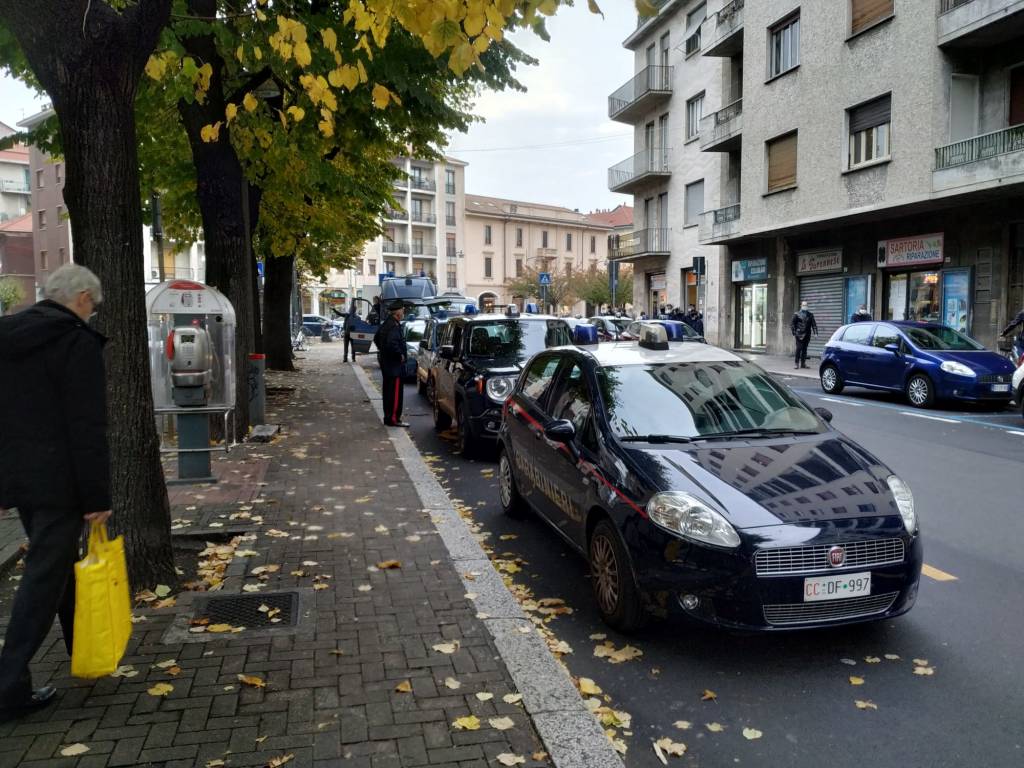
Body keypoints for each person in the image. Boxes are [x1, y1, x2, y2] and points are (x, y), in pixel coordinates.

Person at [0, 264, 112, 723]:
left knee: (57, 566)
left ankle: (81, 650)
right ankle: (8, 684)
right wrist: (97, 496)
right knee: (42, 579)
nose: (93, 312)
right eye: (95, 304)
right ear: (82, 298)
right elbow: (85, 426)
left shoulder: (8, 335)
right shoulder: (75, 342)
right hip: (61, 483)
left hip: (22, 479)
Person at [374, 300, 408, 427]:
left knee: (388, 393)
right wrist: (400, 355)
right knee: (394, 395)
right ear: (398, 312)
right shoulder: (393, 325)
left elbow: (377, 338)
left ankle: (389, 417)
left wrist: (383, 352)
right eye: (403, 310)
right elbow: (392, 344)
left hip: (387, 364)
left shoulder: (387, 324)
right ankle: (393, 419)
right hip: (394, 366)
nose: (404, 312)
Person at [790, 300, 818, 369]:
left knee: (805, 349)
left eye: (806, 305)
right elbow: (792, 324)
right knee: (799, 349)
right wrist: (794, 332)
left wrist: (815, 333)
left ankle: (803, 363)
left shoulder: (810, 315)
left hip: (807, 334)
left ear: (807, 306)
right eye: (803, 305)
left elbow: (814, 324)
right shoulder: (797, 314)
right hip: (799, 334)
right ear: (801, 306)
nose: (804, 306)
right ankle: (796, 363)